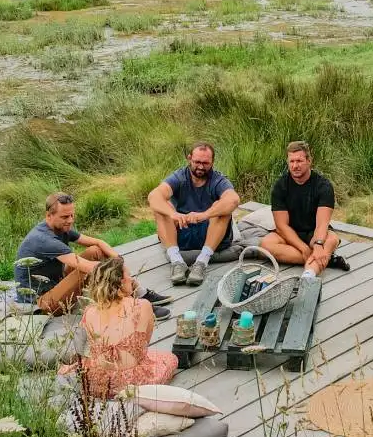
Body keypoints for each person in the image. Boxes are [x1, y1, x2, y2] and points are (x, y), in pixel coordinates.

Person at [13, 192, 170, 318]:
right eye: (65, 217)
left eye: (72, 215)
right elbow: (88, 267)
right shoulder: (43, 239)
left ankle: (141, 293)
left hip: (54, 283)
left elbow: (99, 242)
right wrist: (122, 272)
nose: (70, 220)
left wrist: (119, 261)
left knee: (96, 251)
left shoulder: (60, 227)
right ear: (49, 215)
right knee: (89, 270)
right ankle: (132, 306)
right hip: (41, 303)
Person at [59, 257, 178, 398]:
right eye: (129, 276)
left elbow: (85, 346)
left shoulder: (89, 311)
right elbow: (143, 344)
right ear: (121, 281)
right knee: (170, 358)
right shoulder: (142, 305)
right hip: (135, 382)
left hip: (99, 382)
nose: (132, 279)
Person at [148, 142, 240, 286]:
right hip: (182, 232)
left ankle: (202, 262)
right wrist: (174, 214)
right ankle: (177, 262)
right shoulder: (179, 177)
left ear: (212, 162)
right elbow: (153, 196)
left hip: (211, 235)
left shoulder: (218, 180)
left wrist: (204, 215)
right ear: (189, 158)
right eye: (197, 162)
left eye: (206, 163)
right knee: (161, 207)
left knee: (221, 207)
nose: (201, 167)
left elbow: (233, 200)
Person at [261, 142, 350, 276]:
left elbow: (322, 224)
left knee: (332, 240)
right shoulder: (280, 186)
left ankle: (308, 276)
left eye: (299, 161)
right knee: (265, 244)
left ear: (309, 161)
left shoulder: (323, 186)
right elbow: (281, 226)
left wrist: (319, 244)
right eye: (291, 161)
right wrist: (303, 248)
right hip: (290, 233)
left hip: (315, 232)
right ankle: (327, 258)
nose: (295, 166)